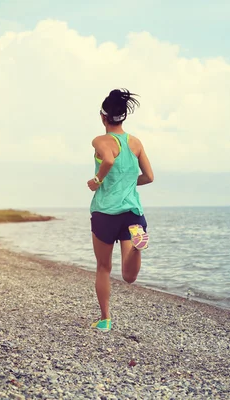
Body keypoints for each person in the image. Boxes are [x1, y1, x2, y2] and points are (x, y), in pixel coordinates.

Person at [86, 88, 154, 332]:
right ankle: (137, 245)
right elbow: (149, 177)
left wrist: (99, 180)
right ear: (123, 117)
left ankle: (105, 319)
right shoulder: (135, 143)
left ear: (103, 117)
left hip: (105, 212)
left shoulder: (100, 140)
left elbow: (109, 160)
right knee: (129, 276)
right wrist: (125, 182)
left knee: (104, 267)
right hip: (132, 214)